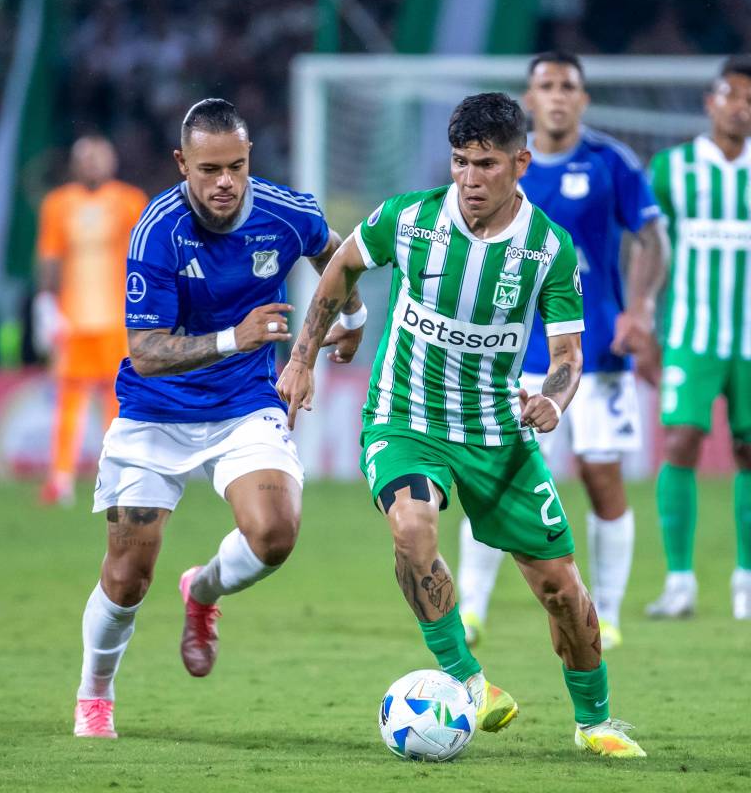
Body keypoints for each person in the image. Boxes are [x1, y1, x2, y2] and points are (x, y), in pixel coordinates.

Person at [278, 93, 647, 757]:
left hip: (497, 435)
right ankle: (467, 682)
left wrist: (554, 402)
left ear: (520, 164)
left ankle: (594, 722)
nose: (470, 179)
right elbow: (342, 266)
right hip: (405, 418)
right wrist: (304, 357)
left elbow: (567, 357)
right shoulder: (412, 219)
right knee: (412, 528)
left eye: (485, 164)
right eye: (459, 162)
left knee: (561, 589)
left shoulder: (547, 251)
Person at [73, 98, 365, 738]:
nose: (225, 181)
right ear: (183, 163)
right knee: (127, 578)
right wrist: (238, 336)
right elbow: (146, 355)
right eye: (209, 169)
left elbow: (338, 255)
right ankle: (95, 693)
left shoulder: (287, 212)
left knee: (275, 534)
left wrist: (352, 319)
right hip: (157, 413)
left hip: (244, 404)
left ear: (249, 158)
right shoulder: (158, 229)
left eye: (236, 165)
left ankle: (202, 592)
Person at [456, 52, 669, 651]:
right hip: (511, 353)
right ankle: (471, 609)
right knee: (494, 477)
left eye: (567, 86)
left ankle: (610, 610)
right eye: (545, 85)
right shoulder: (503, 168)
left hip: (595, 351)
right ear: (529, 96)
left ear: (583, 99)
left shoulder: (611, 162)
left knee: (602, 479)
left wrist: (641, 309)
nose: (556, 95)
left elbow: (652, 237)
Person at [646, 55, 751, 620]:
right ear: (710, 102)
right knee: (682, 441)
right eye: (732, 95)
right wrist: (639, 315)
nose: (741, 108)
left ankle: (747, 581)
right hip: (692, 334)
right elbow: (645, 244)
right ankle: (680, 581)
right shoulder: (672, 169)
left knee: (748, 453)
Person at [34, 136, 148, 505]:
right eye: (85, 158)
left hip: (118, 321)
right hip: (74, 321)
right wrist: (46, 304)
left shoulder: (131, 201)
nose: (92, 164)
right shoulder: (57, 204)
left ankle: (117, 474)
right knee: (69, 401)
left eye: (98, 157)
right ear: (74, 163)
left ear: (111, 162)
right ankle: (61, 479)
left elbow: (145, 256)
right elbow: (49, 257)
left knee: (118, 400)